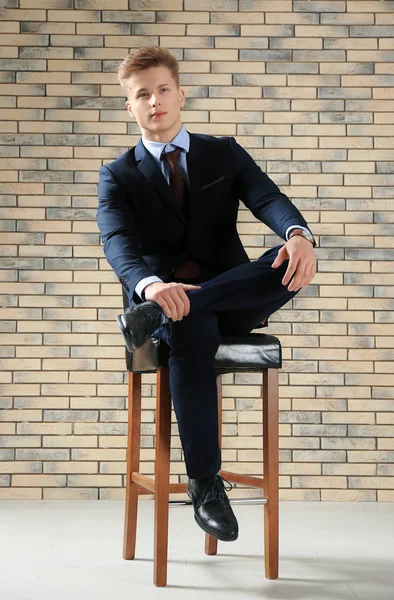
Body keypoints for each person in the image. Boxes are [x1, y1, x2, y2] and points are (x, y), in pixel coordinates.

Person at [97, 46, 317, 543]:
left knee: (281, 259)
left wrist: (299, 234)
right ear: (129, 107)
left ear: (180, 94)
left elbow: (268, 198)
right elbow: (117, 243)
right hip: (172, 307)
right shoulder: (119, 175)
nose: (155, 101)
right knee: (188, 321)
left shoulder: (223, 152)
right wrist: (153, 287)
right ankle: (205, 484)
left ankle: (170, 307)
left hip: (232, 299)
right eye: (142, 95)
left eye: (163, 89)